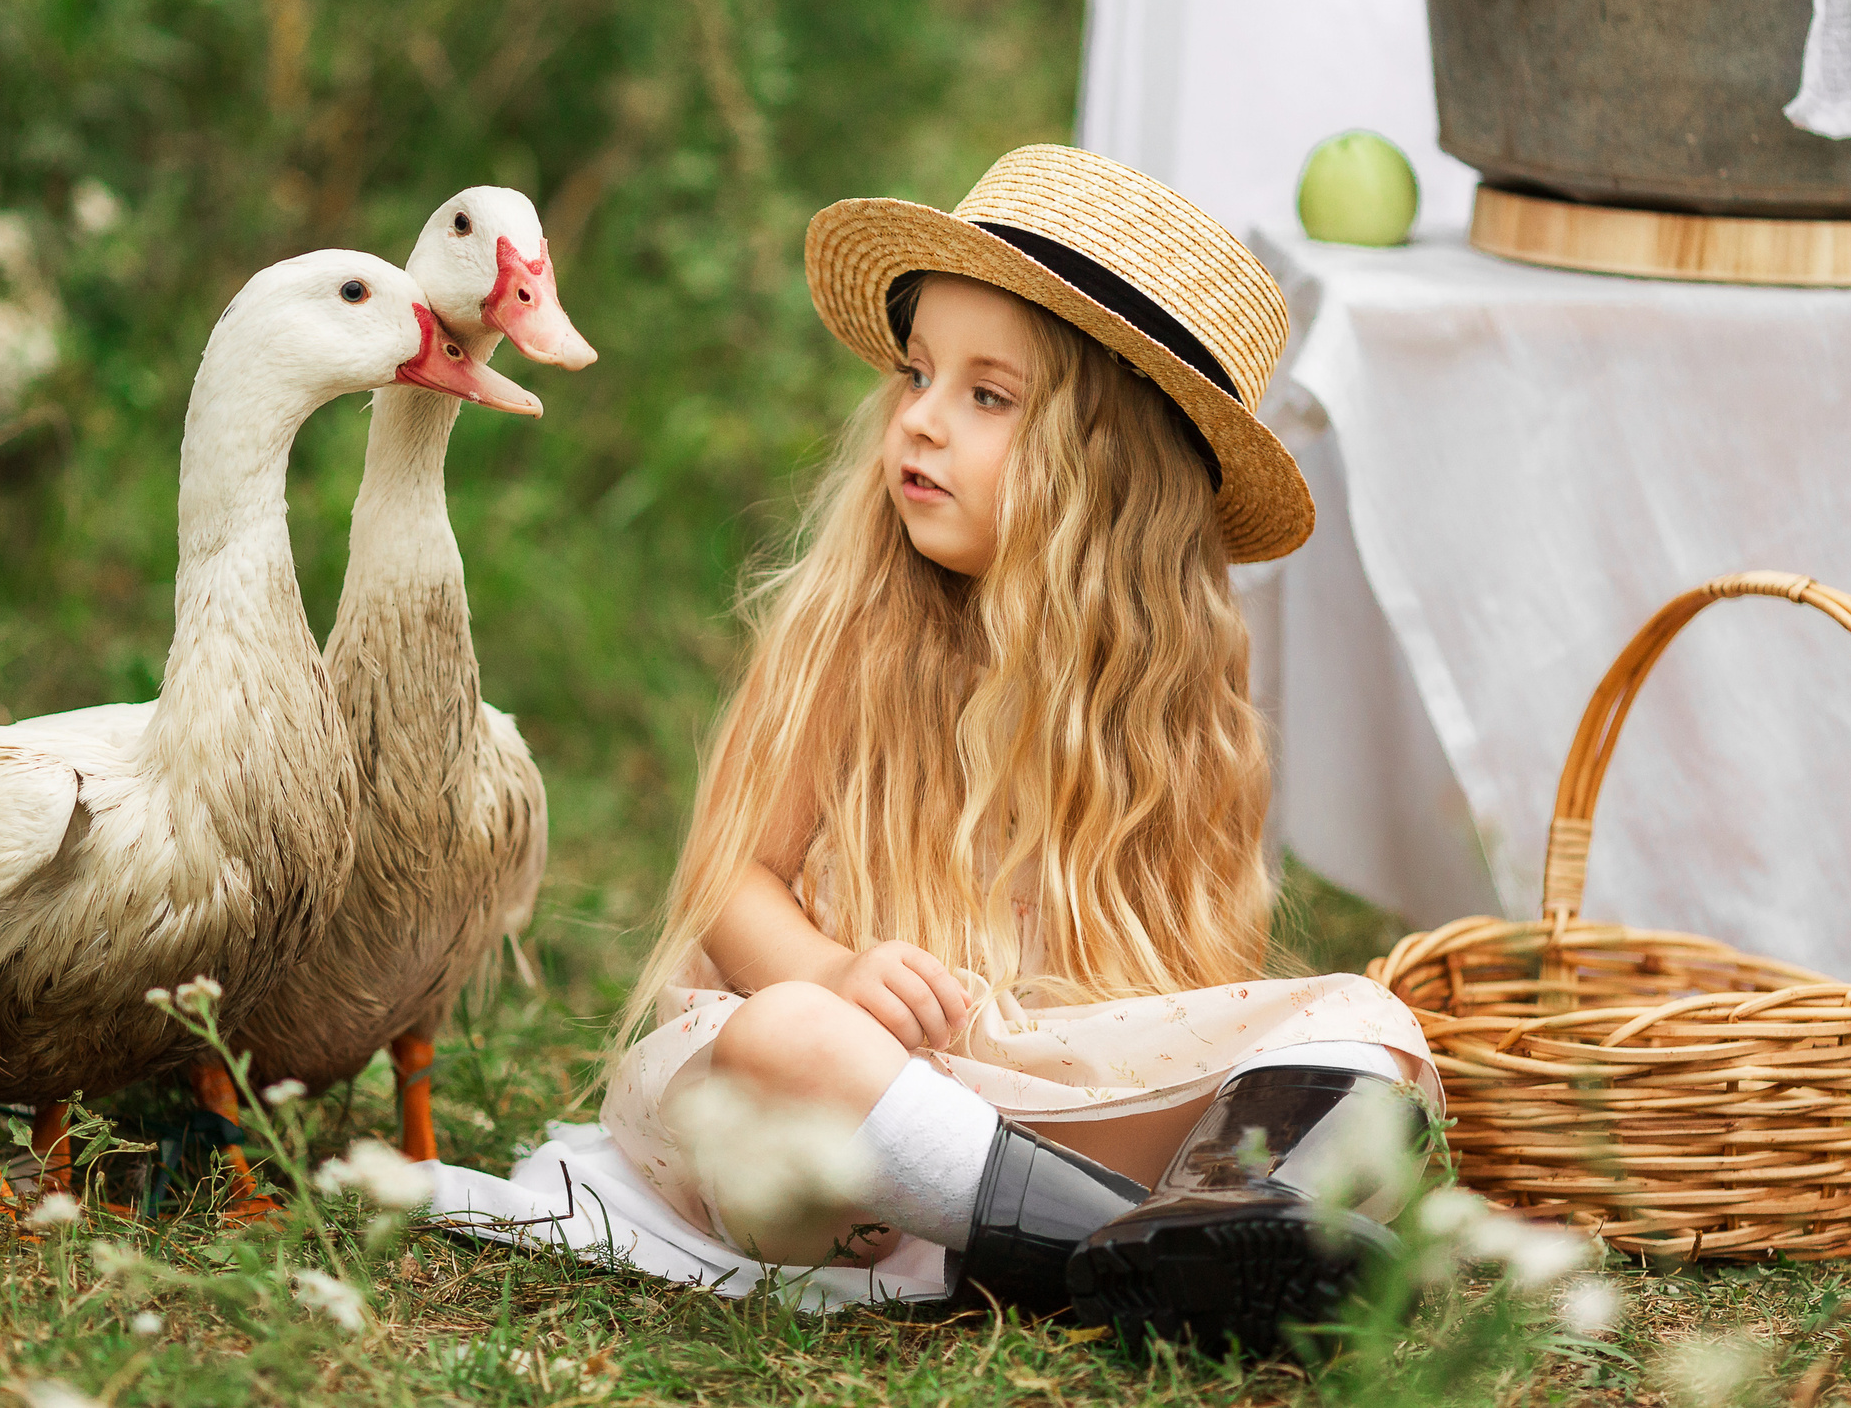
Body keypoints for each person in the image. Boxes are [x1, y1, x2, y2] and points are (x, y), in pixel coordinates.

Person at [600, 145, 1438, 1350]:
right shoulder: (853, 624)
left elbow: (1189, 991)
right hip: (853, 1111)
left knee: (1365, 1021)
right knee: (784, 1040)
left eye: (987, 397)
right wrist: (833, 976)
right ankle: (1128, 1263)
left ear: (1112, 483)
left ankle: (1212, 1228)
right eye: (916, 373)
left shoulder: (1176, 702)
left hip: (1044, 1103)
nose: (920, 422)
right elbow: (725, 876)